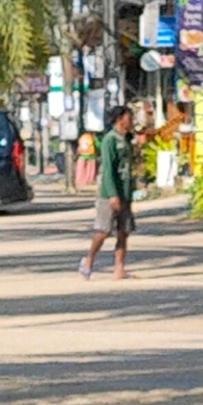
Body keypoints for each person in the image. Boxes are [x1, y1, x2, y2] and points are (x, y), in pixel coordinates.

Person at [79, 106, 135, 280]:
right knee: (103, 230)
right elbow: (108, 170)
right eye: (129, 117)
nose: (131, 121)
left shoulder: (126, 139)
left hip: (125, 191)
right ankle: (89, 260)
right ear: (120, 119)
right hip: (110, 194)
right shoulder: (110, 140)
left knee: (123, 231)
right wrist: (112, 194)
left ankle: (119, 267)